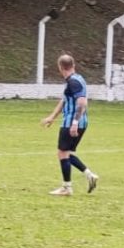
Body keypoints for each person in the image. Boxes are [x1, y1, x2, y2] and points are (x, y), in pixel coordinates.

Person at [40, 54, 99, 197]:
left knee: (62, 153)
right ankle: (89, 175)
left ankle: (67, 188)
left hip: (72, 123)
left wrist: (74, 123)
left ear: (60, 67)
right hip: (80, 122)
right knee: (65, 153)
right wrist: (52, 117)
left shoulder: (73, 82)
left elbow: (82, 102)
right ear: (73, 65)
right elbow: (65, 100)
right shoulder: (77, 79)